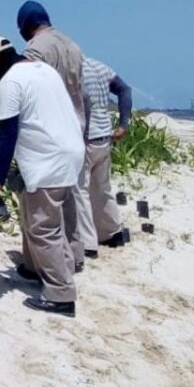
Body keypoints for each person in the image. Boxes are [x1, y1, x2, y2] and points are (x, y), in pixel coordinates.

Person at [0, 37, 85, 317]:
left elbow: (7, 133)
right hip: (71, 153)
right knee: (47, 221)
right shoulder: (44, 70)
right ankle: (38, 269)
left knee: (42, 228)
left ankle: (61, 294)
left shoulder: (10, 82)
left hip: (47, 161)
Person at [16, 1, 88, 268]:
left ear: (26, 25)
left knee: (40, 208)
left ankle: (41, 265)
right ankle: (75, 255)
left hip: (48, 132)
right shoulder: (73, 45)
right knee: (69, 199)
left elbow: (28, 87)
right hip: (75, 129)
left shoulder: (37, 48)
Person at [78, 57, 134, 253]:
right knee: (102, 188)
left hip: (85, 138)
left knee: (80, 191)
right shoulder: (98, 67)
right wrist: (123, 124)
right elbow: (124, 89)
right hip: (104, 136)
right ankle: (111, 233)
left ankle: (87, 243)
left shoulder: (69, 69)